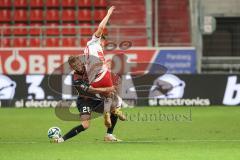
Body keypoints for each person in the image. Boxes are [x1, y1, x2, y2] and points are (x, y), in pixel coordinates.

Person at [52, 56, 125, 143]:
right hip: (84, 101)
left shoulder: (90, 67)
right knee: (85, 125)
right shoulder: (77, 79)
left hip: (96, 99)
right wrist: (107, 89)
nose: (77, 66)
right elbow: (91, 90)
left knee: (112, 101)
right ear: (72, 67)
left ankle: (109, 134)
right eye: (74, 66)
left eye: (78, 64)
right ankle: (61, 139)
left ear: (81, 62)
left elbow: (102, 72)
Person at [83, 6, 116, 128]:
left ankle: (108, 112)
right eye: (103, 42)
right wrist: (108, 13)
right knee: (111, 93)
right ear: (100, 38)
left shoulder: (89, 50)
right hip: (102, 73)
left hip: (93, 79)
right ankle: (109, 112)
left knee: (108, 94)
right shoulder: (94, 41)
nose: (104, 44)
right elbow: (101, 27)